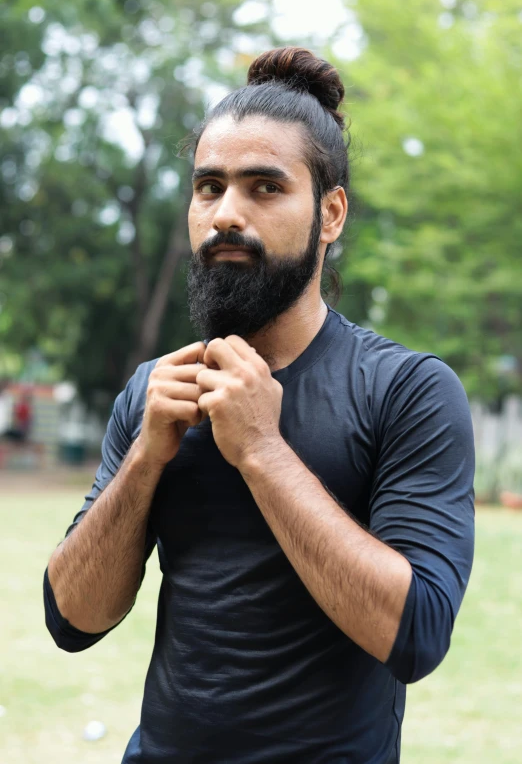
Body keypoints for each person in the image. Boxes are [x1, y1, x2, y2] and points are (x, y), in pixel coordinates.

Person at [43, 47, 475, 763]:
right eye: (208, 187)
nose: (226, 215)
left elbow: (418, 634)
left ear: (330, 214)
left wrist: (262, 450)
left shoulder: (409, 390)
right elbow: (71, 618)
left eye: (265, 188)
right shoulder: (158, 392)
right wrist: (147, 457)